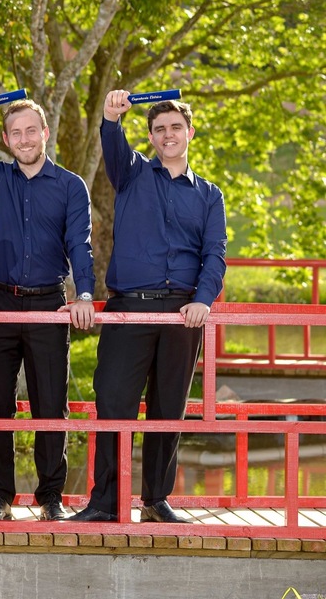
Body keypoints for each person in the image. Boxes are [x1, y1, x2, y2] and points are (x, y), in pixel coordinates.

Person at [66, 93, 226, 523]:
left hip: (182, 315)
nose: (168, 135)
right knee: (113, 401)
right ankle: (105, 503)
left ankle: (156, 500)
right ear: (151, 138)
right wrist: (110, 116)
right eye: (159, 129)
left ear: (190, 133)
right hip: (129, 311)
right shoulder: (131, 172)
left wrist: (203, 299)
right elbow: (112, 141)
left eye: (175, 127)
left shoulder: (210, 195)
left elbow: (215, 253)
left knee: (167, 408)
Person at [0, 96, 95, 522]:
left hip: (49, 304)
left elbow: (80, 245)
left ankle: (50, 498)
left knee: (51, 403)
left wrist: (84, 295)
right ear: (7, 139)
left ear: (44, 133)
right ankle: (0, 498)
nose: (25, 138)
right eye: (16, 132)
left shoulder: (70, 186)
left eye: (32, 130)